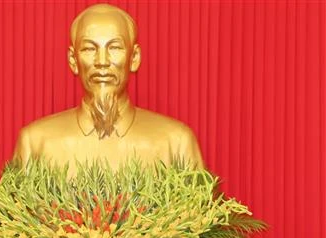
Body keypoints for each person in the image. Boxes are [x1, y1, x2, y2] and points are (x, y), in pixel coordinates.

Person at [13, 3, 204, 173]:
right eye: (89, 49)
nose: (102, 62)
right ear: (73, 60)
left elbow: (203, 212)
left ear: (134, 58)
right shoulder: (35, 143)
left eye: (114, 48)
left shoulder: (176, 143)